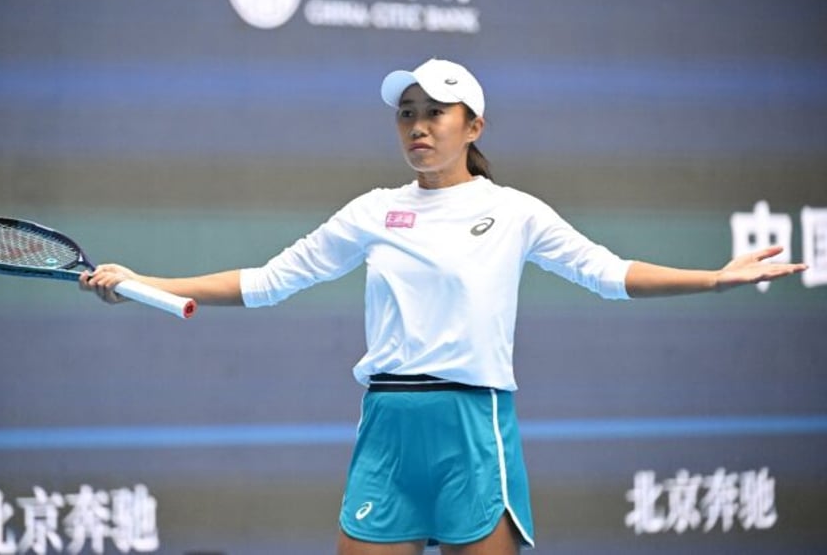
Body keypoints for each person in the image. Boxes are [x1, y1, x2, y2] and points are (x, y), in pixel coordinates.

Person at [80, 58, 806, 555]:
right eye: (406, 113)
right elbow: (270, 279)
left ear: (475, 127)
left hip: (473, 427)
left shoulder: (514, 211)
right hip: (388, 430)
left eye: (435, 111)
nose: (417, 125)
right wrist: (148, 278)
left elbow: (609, 273)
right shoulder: (371, 211)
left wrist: (712, 278)